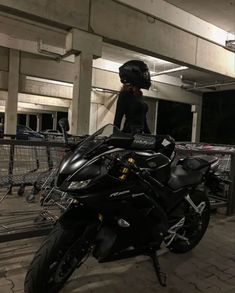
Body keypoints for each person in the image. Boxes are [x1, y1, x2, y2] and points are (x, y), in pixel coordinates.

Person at [114, 60, 151, 134]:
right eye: (144, 73)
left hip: (139, 135)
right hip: (129, 134)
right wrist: (115, 136)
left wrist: (150, 135)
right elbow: (118, 118)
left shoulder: (139, 95)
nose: (146, 75)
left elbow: (143, 119)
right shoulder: (124, 95)